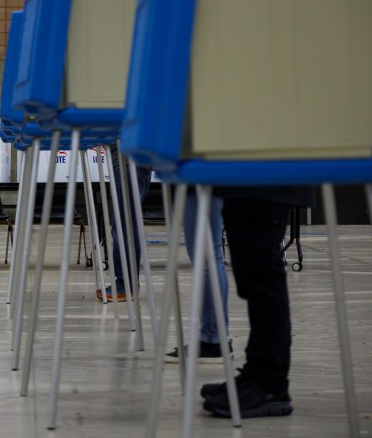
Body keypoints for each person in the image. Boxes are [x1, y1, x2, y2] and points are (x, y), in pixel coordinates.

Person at [200, 186, 314, 419]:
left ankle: (271, 385)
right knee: (253, 278)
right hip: (248, 179)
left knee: (262, 277)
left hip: (264, 178)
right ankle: (257, 373)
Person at [165, 192, 231, 363]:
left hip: (200, 181)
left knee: (206, 257)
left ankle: (212, 340)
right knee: (211, 256)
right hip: (208, 181)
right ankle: (215, 337)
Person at [95, 146, 152, 301]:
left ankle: (126, 285)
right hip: (134, 161)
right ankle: (127, 283)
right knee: (126, 226)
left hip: (127, 160)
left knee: (124, 228)